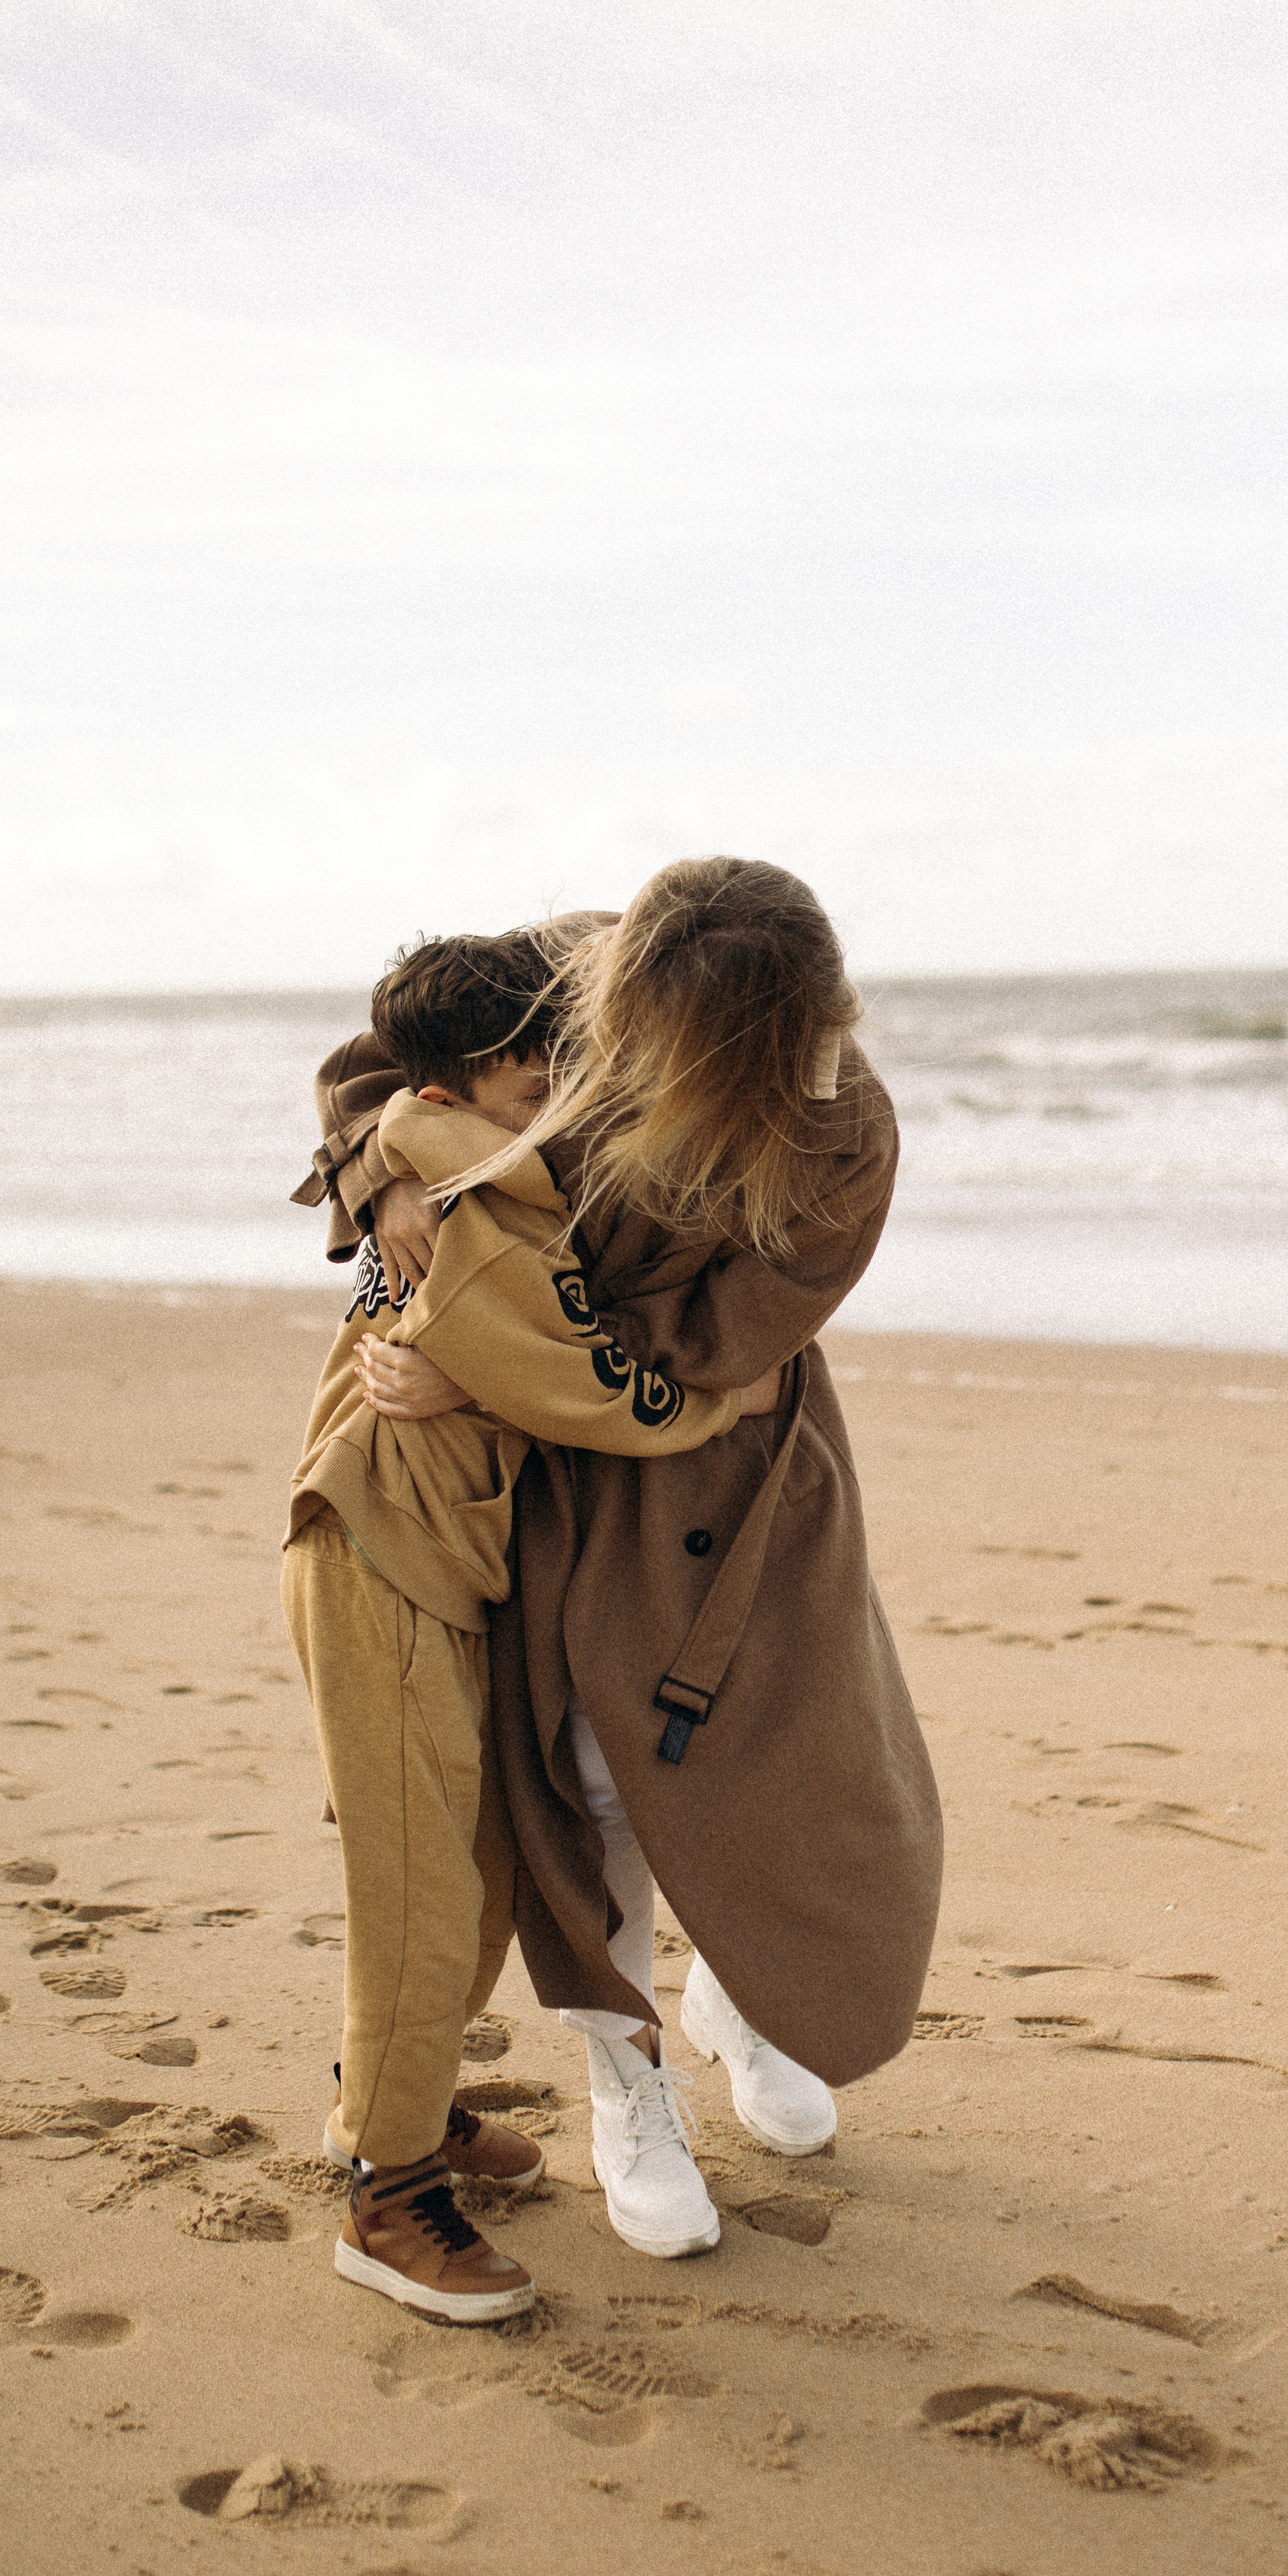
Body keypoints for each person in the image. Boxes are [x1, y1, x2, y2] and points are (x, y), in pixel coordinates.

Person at [300, 858, 944, 2261]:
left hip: (723, 1463)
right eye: (620, 1022)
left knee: (772, 1764)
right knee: (590, 1778)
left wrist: (484, 1363)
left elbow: (715, 1352)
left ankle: (739, 1988)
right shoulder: (567, 974)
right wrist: (384, 1167)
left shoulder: (845, 1128)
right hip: (563, 1481)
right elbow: (381, 1062)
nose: (619, 1060)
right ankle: (626, 2078)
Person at [283, 926, 773, 2325]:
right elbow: (591, 1391)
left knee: (482, 1873)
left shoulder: (452, 1148)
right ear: (461, 1081)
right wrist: (725, 1402)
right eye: (533, 1072)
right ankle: (390, 2201)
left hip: (435, 1560)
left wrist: (393, 1163)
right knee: (423, 1895)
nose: (559, 1085)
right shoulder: (472, 1196)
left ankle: (400, 2114)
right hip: (382, 1553)